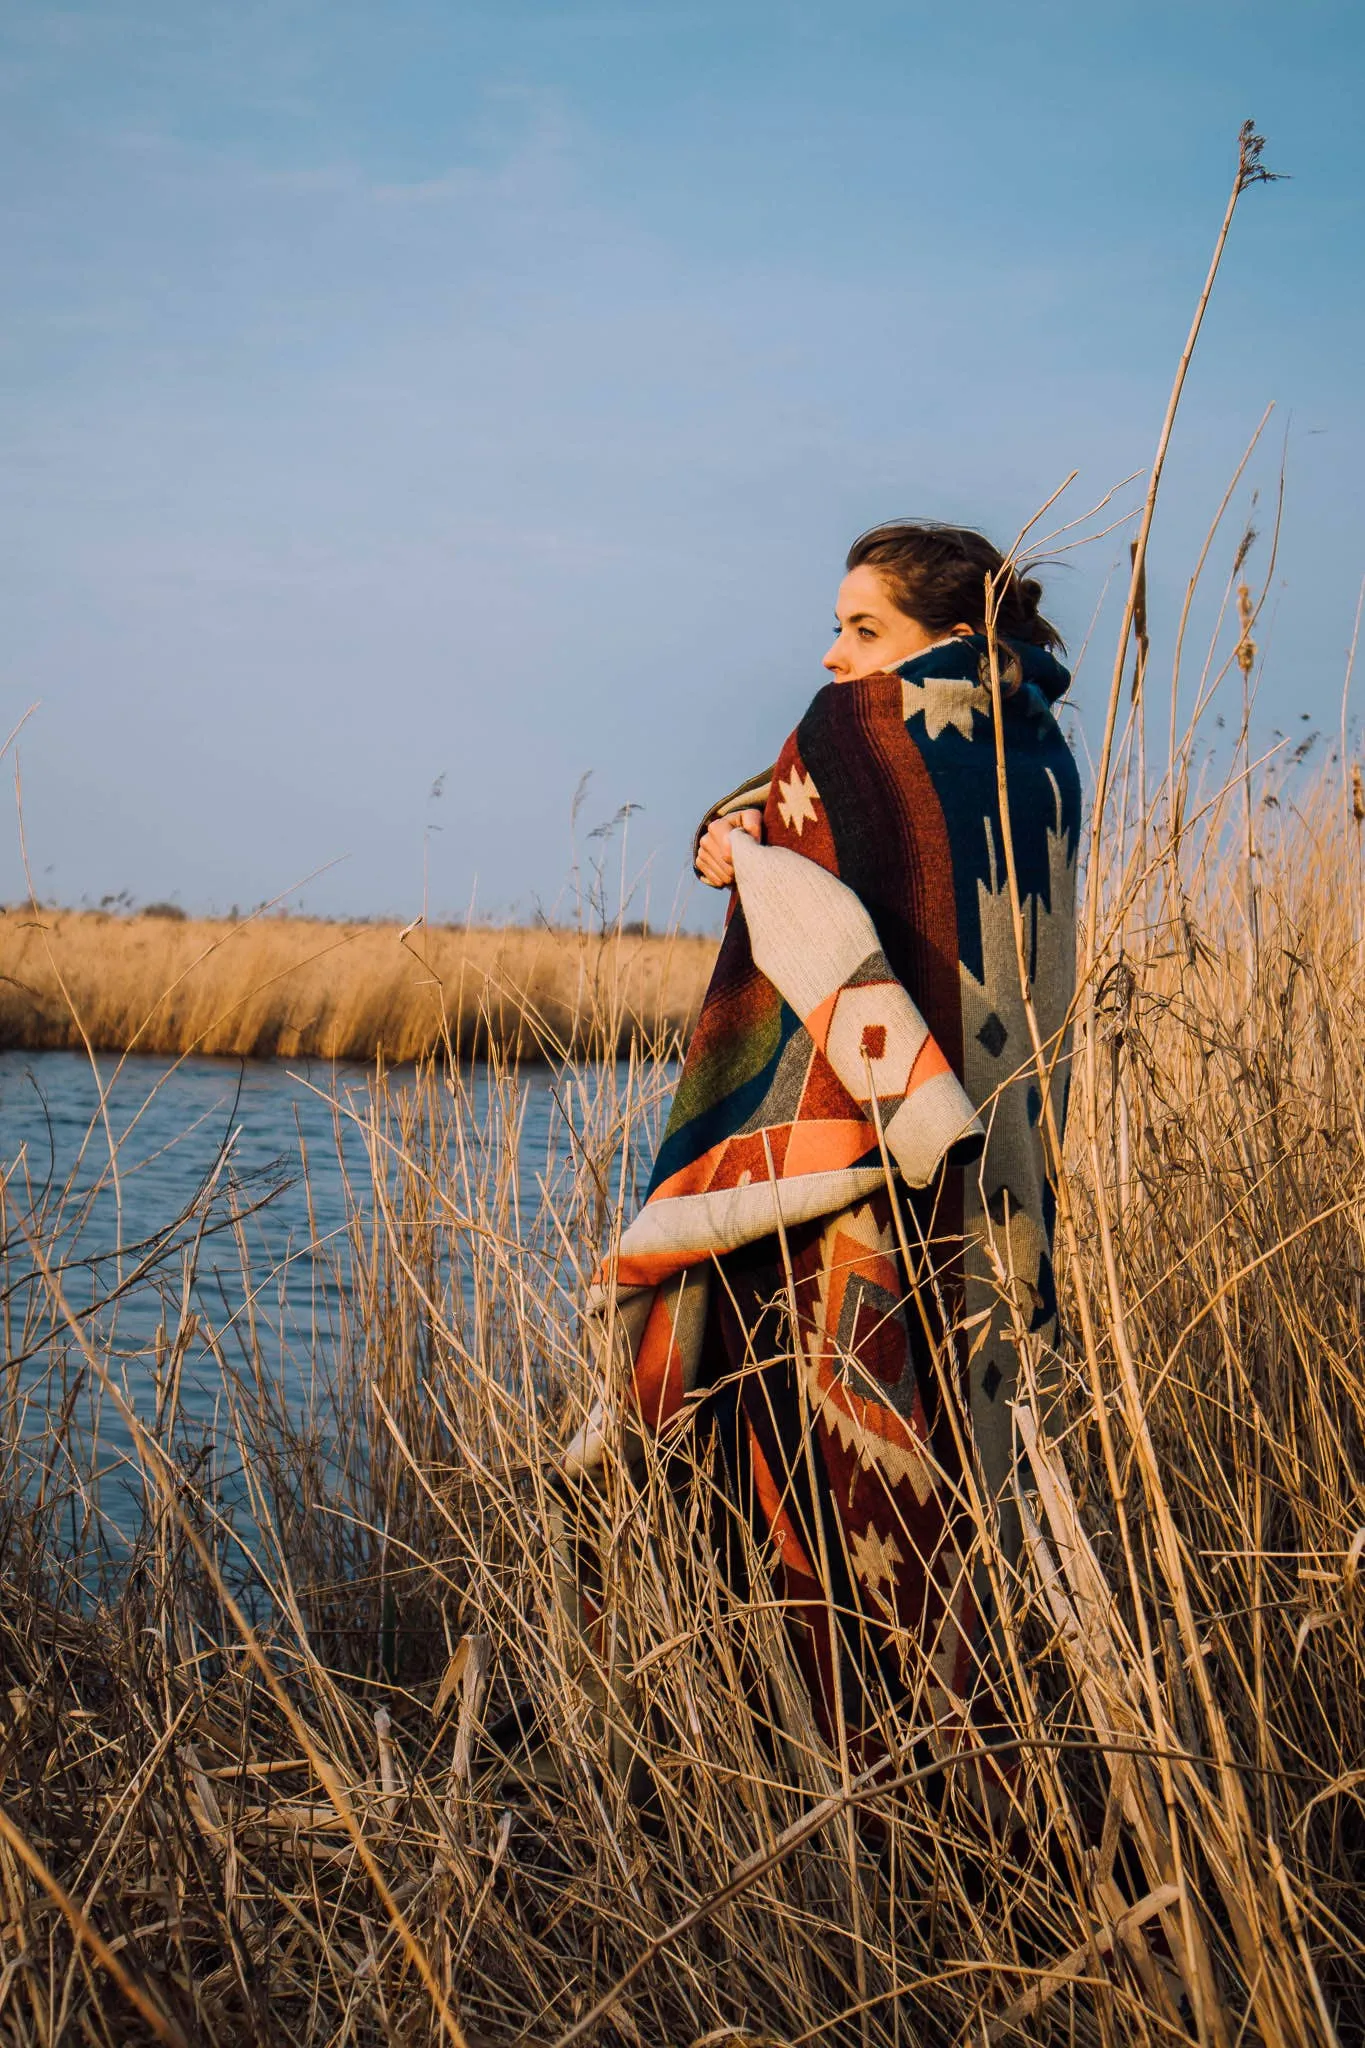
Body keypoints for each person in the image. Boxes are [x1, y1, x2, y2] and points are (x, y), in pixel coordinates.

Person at [567, 520, 1081, 1775]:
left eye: (864, 628)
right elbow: (811, 825)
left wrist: (744, 847)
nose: (833, 651)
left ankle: (839, 1815)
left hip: (858, 1203)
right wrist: (743, 835)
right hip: (1001, 1211)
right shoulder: (1044, 756)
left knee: (834, 1523)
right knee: (971, 1511)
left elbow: (807, 829)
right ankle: (973, 1811)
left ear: (951, 639)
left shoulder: (859, 734)